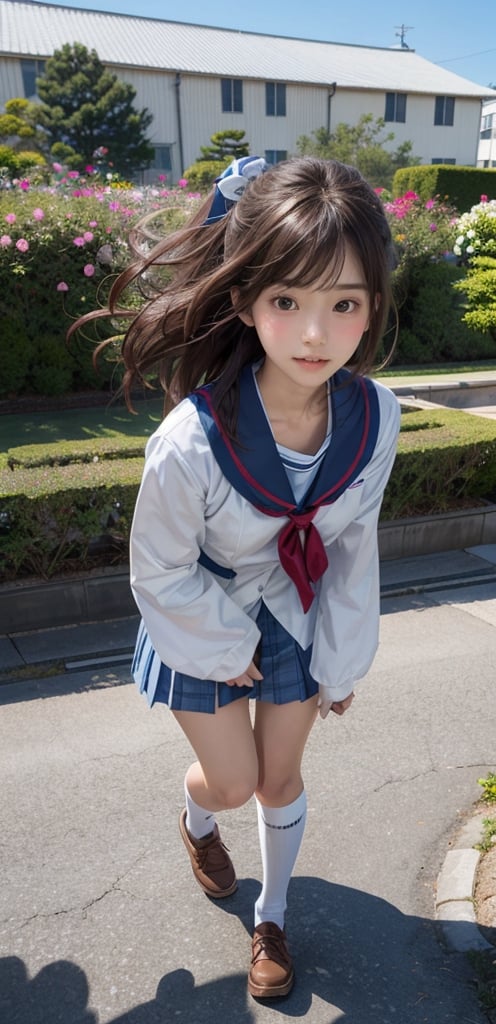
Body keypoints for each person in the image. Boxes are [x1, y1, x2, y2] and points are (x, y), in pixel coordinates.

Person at [101, 156, 401, 998]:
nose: (316, 334)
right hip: (205, 613)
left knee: (280, 777)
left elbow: (352, 546)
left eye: (344, 304)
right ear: (245, 302)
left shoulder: (375, 416)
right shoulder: (193, 438)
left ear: (373, 305)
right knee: (232, 784)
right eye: (288, 302)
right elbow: (157, 566)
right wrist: (225, 643)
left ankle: (273, 915)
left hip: (300, 614)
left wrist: (341, 658)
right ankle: (198, 821)